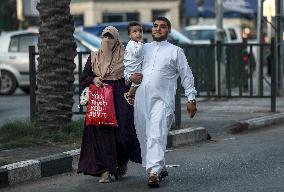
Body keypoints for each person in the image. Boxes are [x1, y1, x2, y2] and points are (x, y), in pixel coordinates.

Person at [132, 17, 197, 187]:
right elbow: (130, 67)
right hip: (141, 100)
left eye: (163, 27)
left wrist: (191, 98)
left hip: (162, 100)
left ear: (168, 30)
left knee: (156, 132)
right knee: (145, 134)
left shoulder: (176, 51)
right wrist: (129, 78)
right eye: (155, 26)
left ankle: (153, 172)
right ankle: (159, 167)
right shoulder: (143, 49)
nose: (158, 29)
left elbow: (186, 75)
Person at [77, 26, 142, 183]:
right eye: (104, 36)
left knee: (122, 134)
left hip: (120, 97)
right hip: (100, 98)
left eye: (110, 37)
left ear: (117, 39)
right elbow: (84, 77)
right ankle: (104, 171)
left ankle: (121, 162)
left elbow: (133, 75)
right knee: (101, 135)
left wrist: (131, 82)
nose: (107, 40)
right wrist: (94, 79)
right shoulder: (94, 57)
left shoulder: (125, 56)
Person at [123, 21, 144, 105]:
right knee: (137, 82)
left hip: (135, 67)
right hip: (133, 68)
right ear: (129, 35)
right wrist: (141, 44)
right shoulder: (131, 44)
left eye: (140, 31)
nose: (138, 33)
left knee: (137, 83)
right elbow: (137, 54)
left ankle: (131, 96)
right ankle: (129, 94)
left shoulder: (136, 43)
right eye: (135, 31)